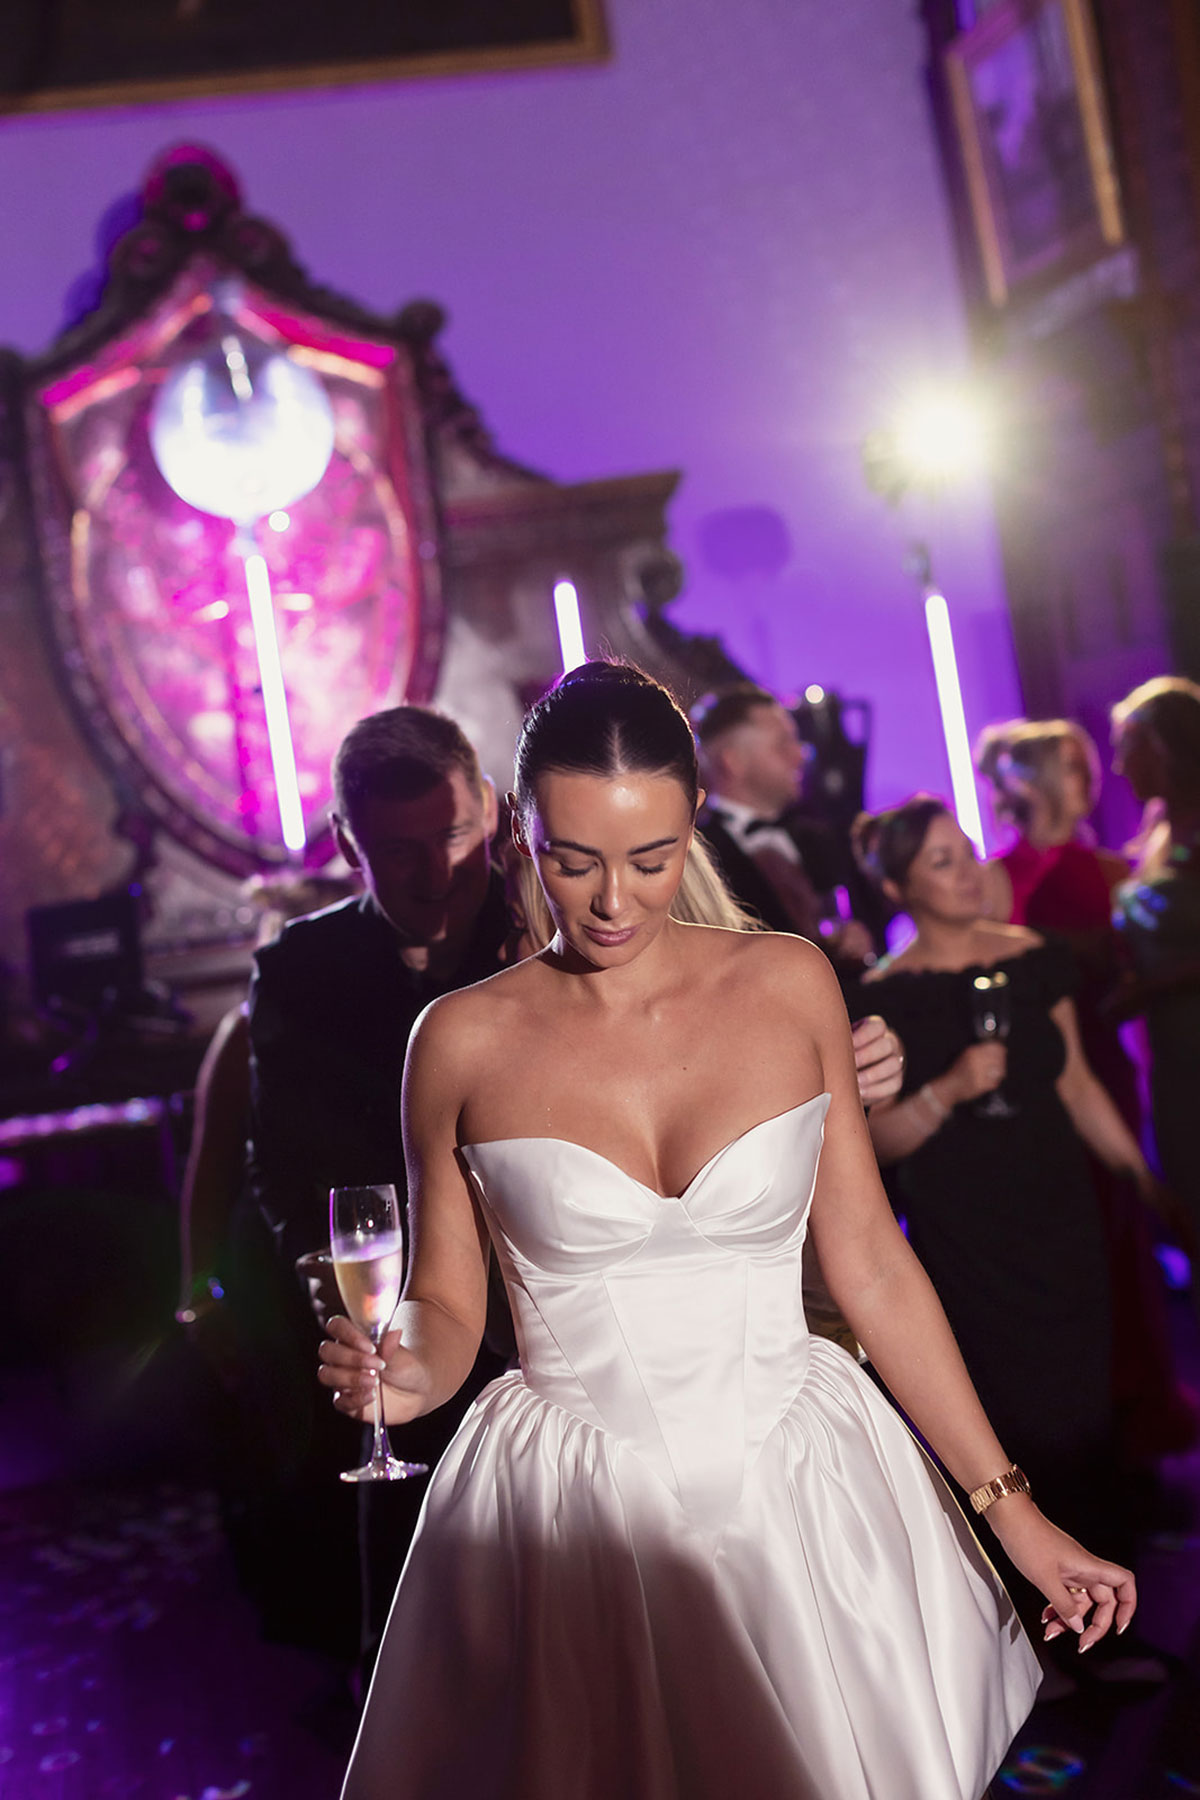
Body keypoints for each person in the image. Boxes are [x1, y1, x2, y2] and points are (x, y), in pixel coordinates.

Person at [322, 663, 1134, 1800]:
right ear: (520, 832)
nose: (613, 901)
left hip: (801, 1489)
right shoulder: (456, 1042)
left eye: (650, 860)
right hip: (579, 1515)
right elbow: (450, 1306)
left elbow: (873, 1267)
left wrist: (1018, 1515)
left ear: (693, 824)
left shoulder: (788, 983)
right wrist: (404, 1376)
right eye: (575, 858)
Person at [846, 796, 1162, 1684]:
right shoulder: (884, 994)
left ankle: (1111, 1626)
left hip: (1059, 1214)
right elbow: (875, 1145)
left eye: (966, 851)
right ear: (899, 884)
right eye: (940, 861)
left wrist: (1142, 1179)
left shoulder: (1032, 961)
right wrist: (948, 1087)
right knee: (1007, 1418)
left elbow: (1077, 1090)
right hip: (967, 1235)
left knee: (1086, 1412)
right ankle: (1032, 1642)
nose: (965, 870)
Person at [238, 706, 512, 1668]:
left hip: (544, 1321)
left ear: (489, 806)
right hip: (398, 1332)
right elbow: (281, 1163)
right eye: (400, 851)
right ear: (348, 843)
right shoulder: (303, 971)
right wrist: (321, 1266)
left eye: (453, 836)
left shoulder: (544, 934)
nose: (438, 874)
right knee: (424, 1634)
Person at [976, 718, 1197, 1462]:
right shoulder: (998, 874)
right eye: (1069, 767)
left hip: (1107, 1065)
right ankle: (1087, 1417)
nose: (1090, 779)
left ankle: (1141, 1415)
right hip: (1038, 1082)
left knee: (1125, 1231)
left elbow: (1132, 974)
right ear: (1034, 779)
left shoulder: (1115, 871)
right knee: (1070, 1245)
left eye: (1086, 766)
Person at [1111, 676, 1200, 1264]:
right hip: (1171, 1060)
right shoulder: (1158, 836)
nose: (1118, 767)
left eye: (1127, 747)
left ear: (1161, 747)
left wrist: (1148, 988)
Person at [691, 681, 876, 961]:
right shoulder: (698, 854)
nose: (801, 754)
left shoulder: (821, 837)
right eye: (782, 743)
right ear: (734, 762)